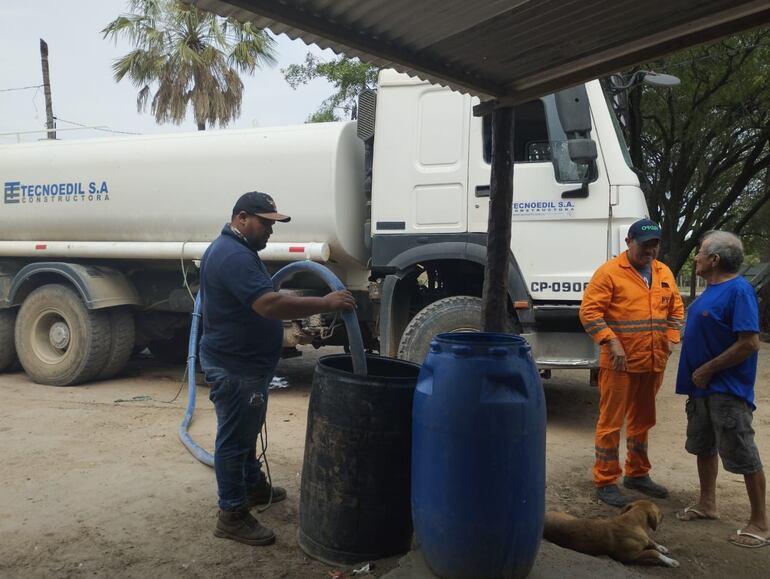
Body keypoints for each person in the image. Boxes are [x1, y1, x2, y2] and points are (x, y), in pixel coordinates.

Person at [198, 191, 356, 546]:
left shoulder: (237, 252)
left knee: (245, 431)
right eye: (265, 223)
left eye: (273, 224)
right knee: (235, 440)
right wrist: (325, 301)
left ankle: (252, 486)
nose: (271, 231)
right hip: (235, 365)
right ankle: (232, 514)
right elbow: (268, 305)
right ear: (241, 219)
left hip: (243, 362)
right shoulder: (233, 257)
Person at [580, 218, 685, 507]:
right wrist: (611, 341)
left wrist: (671, 338)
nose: (650, 251)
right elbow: (589, 313)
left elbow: (676, 309)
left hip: (653, 362)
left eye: (655, 245)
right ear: (628, 243)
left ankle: (637, 473)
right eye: (644, 245)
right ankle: (605, 480)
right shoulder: (610, 273)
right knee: (610, 424)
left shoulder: (664, 272)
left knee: (643, 421)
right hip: (619, 364)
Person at [674, 230, 768, 548]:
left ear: (714, 260)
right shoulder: (710, 291)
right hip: (701, 389)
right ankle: (707, 504)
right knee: (704, 447)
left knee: (743, 453)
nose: (696, 258)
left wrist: (708, 369)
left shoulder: (738, 290)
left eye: (700, 253)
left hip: (726, 390)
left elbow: (749, 343)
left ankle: (760, 523)